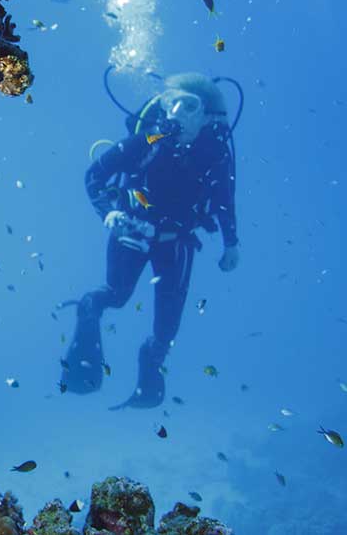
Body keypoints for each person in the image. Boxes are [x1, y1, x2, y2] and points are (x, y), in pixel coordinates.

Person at [62, 72, 240, 409]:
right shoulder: (150, 138)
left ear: (207, 116)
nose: (177, 112)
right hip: (132, 229)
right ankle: (88, 314)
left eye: (189, 105)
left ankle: (150, 365)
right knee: (116, 294)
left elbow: (224, 199)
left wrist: (231, 243)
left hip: (177, 242)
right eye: (171, 102)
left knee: (166, 328)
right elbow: (94, 175)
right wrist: (108, 213)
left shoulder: (216, 153)